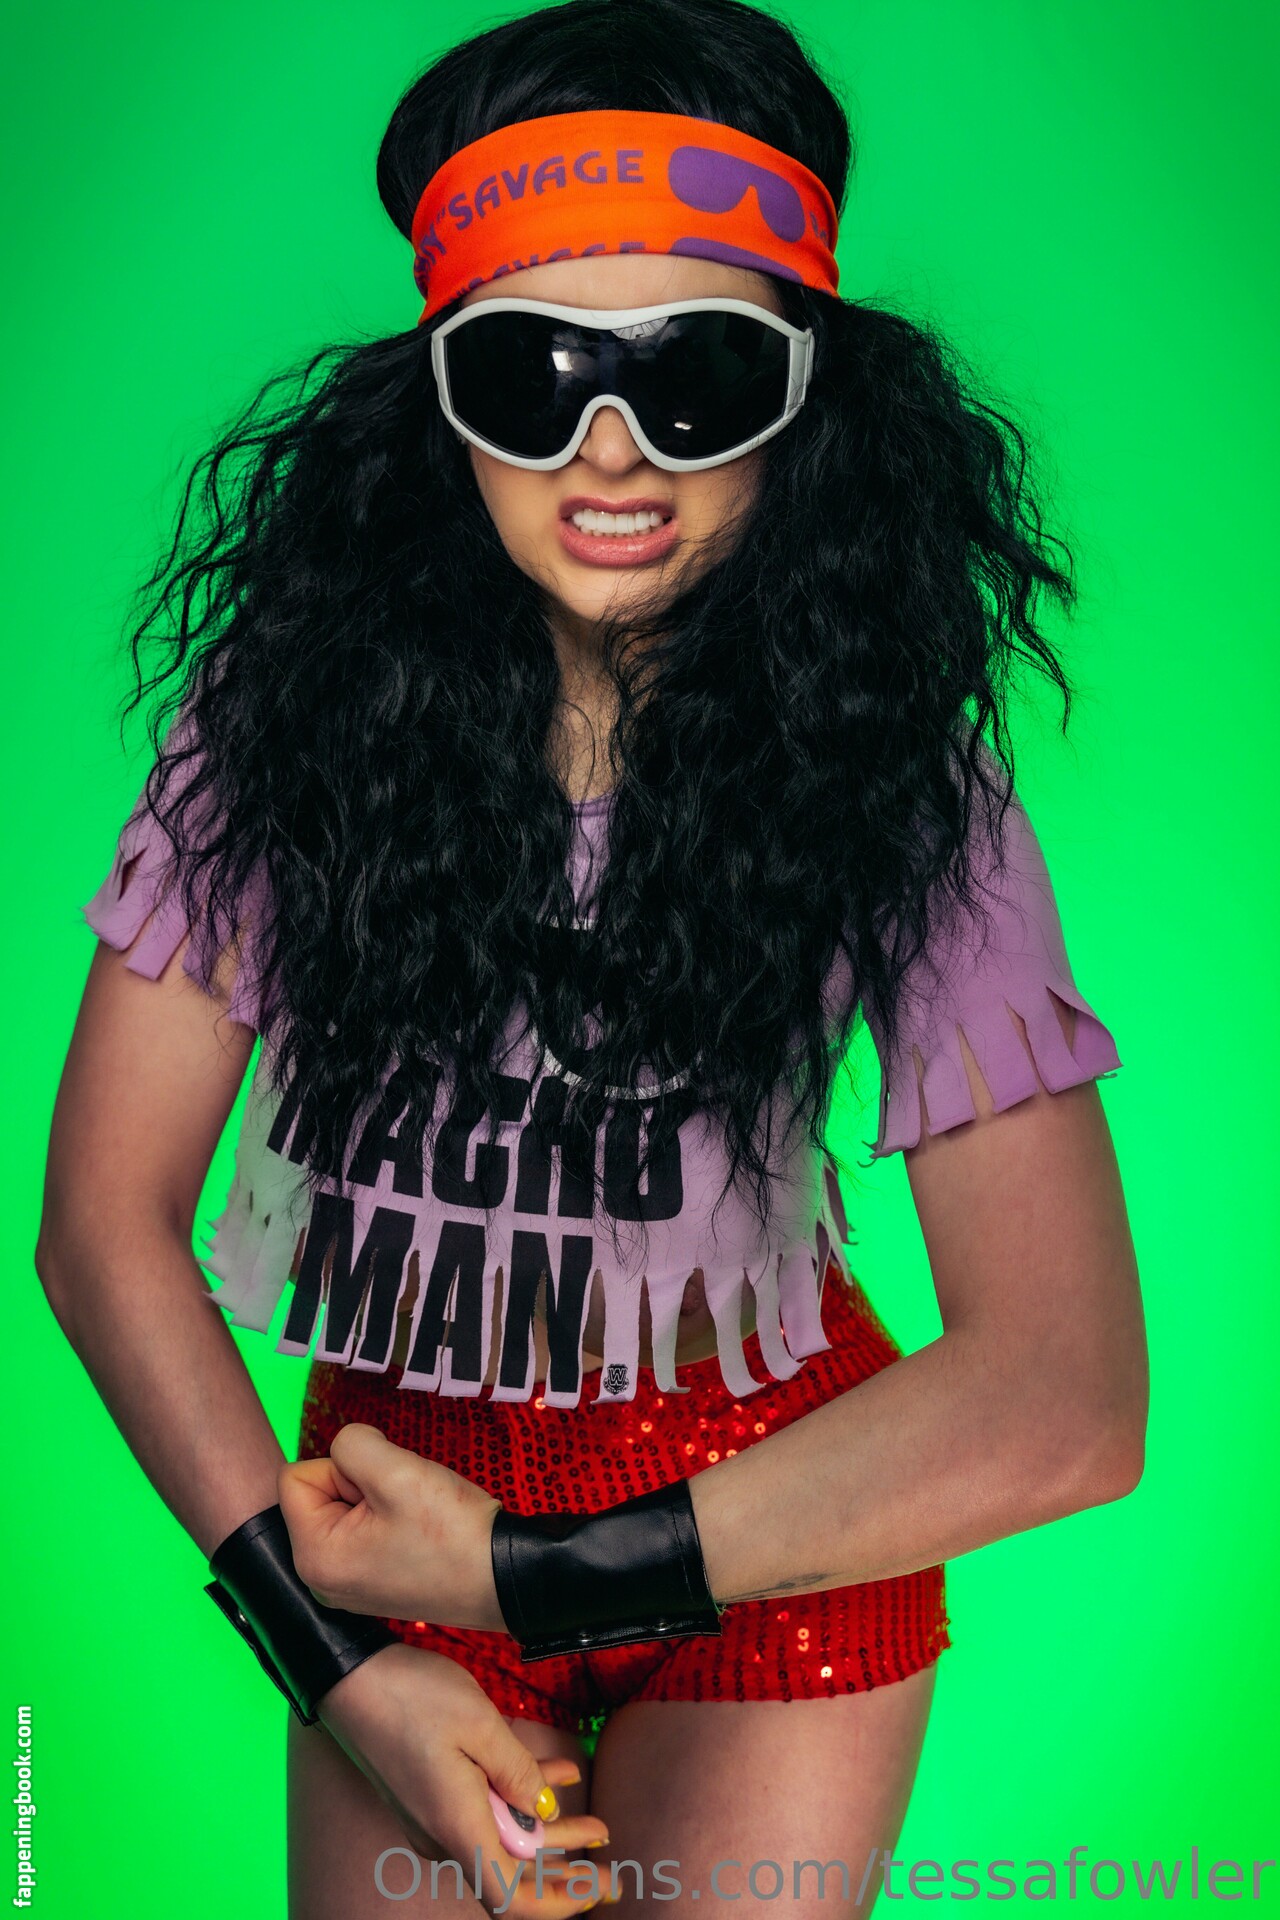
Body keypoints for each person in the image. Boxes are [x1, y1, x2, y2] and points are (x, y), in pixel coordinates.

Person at [36, 1, 1147, 1914]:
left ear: (808, 394)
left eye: (697, 373)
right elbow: (100, 1229)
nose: (610, 449)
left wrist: (537, 1576)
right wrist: (342, 1659)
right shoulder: (274, 736)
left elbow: (1068, 1387)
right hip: (380, 1529)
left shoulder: (904, 791)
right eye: (529, 372)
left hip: (775, 1527)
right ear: (437, 399)